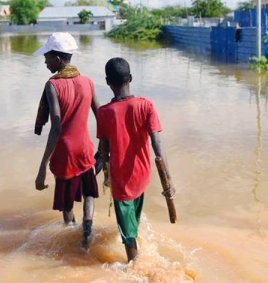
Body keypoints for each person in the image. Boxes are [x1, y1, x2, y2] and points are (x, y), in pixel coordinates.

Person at [96, 57, 175, 262]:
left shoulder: (104, 113)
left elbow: (104, 150)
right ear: (130, 78)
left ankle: (134, 266)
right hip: (142, 176)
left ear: (107, 82)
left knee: (128, 236)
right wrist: (169, 180)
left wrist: (105, 174)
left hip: (121, 180)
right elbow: (158, 144)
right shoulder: (146, 105)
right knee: (134, 220)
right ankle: (137, 252)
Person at [33, 32, 100, 247]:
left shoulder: (52, 85)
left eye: (47, 57)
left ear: (58, 59)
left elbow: (56, 127)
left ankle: (72, 237)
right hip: (85, 149)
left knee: (66, 202)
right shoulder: (88, 82)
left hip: (65, 153)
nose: (45, 61)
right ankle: (88, 226)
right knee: (89, 191)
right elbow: (102, 115)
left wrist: (43, 166)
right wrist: (105, 149)